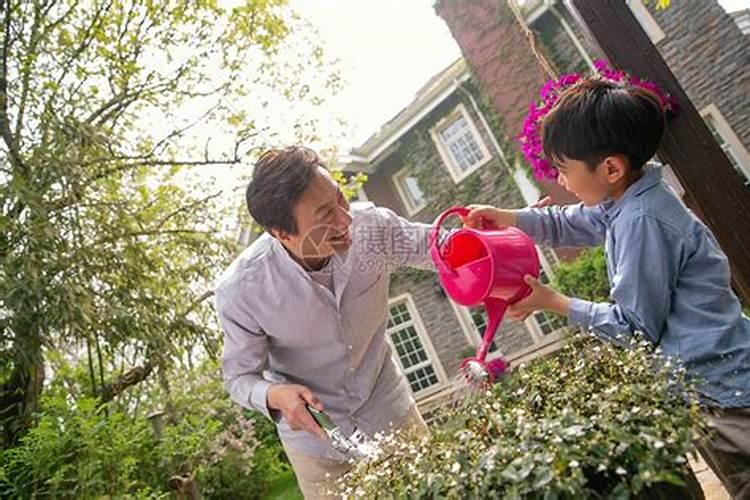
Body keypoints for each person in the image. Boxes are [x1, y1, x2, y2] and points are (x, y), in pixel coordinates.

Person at [464, 77, 750, 498]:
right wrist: (511, 218)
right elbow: (571, 221)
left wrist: (554, 301)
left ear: (610, 168)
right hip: (718, 381)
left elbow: (635, 328)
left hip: (724, 392)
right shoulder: (629, 199)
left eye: (564, 170)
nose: (561, 182)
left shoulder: (641, 221)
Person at [215, 146, 433, 498]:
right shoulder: (242, 291)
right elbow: (239, 378)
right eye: (325, 215)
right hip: (318, 449)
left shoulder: (371, 228)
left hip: (389, 410)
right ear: (281, 233)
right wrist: (273, 395)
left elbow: (443, 246)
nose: (345, 220)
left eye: (341, 200)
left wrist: (517, 231)